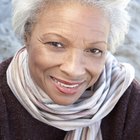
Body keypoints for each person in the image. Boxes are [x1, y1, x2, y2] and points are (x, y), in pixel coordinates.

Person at [0, 0, 140, 140]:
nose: (74, 70)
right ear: (27, 37)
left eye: (94, 50)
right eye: (56, 44)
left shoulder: (129, 102)